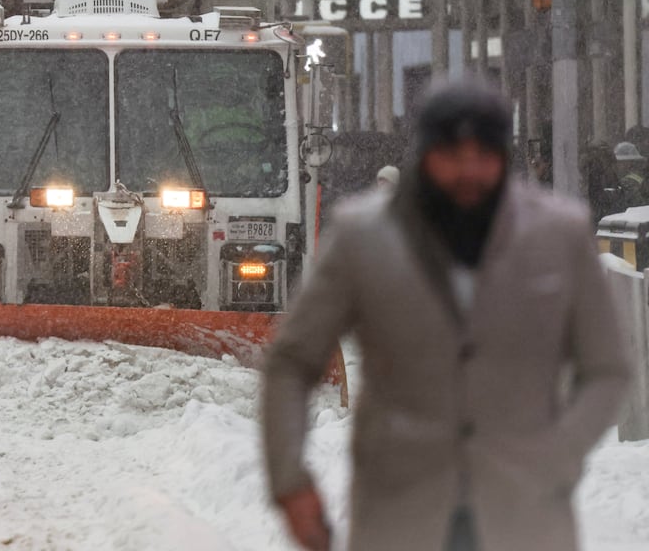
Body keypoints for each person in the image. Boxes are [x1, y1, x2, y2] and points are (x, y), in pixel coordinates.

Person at [261, 82, 630, 551]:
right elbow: (291, 362)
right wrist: (289, 480)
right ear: (425, 155)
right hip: (399, 513)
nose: (468, 170)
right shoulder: (362, 237)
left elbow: (607, 369)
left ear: (504, 157)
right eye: (452, 154)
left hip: (526, 515)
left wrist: (562, 450)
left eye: (484, 154)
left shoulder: (559, 235)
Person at [614, 141, 649, 209]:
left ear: (628, 163)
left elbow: (637, 206)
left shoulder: (628, 182)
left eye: (619, 162)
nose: (616, 165)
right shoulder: (642, 176)